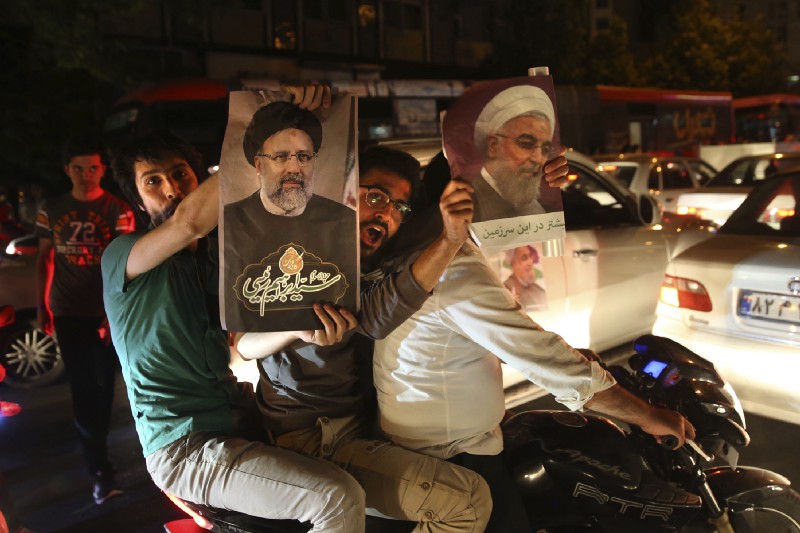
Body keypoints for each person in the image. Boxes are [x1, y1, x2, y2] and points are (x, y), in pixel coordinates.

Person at [103, 86, 377, 533]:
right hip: (186, 446)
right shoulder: (124, 257)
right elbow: (188, 221)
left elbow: (237, 352)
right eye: (153, 181)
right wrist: (271, 121)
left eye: (180, 174)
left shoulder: (219, 261)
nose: (172, 188)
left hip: (239, 426)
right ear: (136, 200)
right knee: (336, 498)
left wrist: (302, 329)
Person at [372, 157, 696, 533]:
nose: (532, 198)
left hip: (449, 441)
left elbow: (487, 340)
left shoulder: (427, 253)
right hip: (452, 458)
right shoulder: (454, 270)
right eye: (520, 184)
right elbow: (553, 366)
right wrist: (649, 417)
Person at [235, 145, 494, 532]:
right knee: (466, 504)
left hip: (371, 427)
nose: (387, 214)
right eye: (376, 197)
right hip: (315, 436)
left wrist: (527, 174)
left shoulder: (380, 259)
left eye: (399, 208)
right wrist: (293, 327)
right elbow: (241, 347)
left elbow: (453, 198)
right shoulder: (293, 256)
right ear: (346, 193)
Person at [34, 135, 134, 505]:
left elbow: (123, 264)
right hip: (68, 311)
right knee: (82, 387)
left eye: (93, 167)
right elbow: (45, 258)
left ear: (102, 170)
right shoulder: (52, 208)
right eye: (79, 168)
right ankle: (99, 467)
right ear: (67, 170)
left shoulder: (117, 209)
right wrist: (42, 305)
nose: (87, 175)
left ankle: (98, 446)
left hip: (107, 312)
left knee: (105, 385)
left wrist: (113, 312)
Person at [223, 99, 356, 332]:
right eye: (281, 156)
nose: (294, 169)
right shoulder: (230, 220)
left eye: (303, 157)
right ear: (258, 164)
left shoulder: (344, 220)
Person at [471, 84, 558, 222]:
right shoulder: (467, 203)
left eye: (545, 149)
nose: (538, 158)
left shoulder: (534, 206)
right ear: (493, 146)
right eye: (526, 143)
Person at [503, 245, 546, 309]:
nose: (530, 262)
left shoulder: (539, 291)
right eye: (524, 258)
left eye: (530, 256)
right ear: (513, 263)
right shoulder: (505, 290)